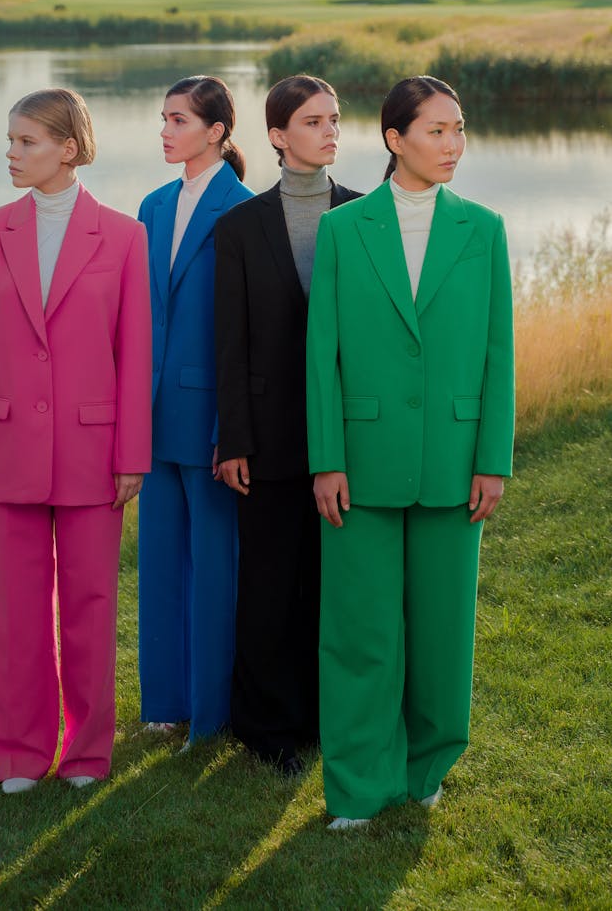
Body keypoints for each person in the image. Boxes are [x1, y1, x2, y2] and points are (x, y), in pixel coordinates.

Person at [306, 75, 514, 828]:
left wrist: (493, 458)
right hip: (358, 460)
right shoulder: (343, 229)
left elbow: (499, 354)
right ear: (395, 139)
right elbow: (321, 354)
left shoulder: (484, 229)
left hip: (457, 460)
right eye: (437, 130)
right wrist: (325, 458)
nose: (453, 143)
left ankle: (428, 765)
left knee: (441, 632)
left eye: (459, 129)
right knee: (360, 631)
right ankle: (358, 785)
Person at [0, 87, 152, 794]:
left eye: (26, 141)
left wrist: (132, 454)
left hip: (95, 452)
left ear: (68, 148)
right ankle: (16, 751)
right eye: (9, 140)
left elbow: (135, 355)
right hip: (6, 448)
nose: (12, 153)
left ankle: (88, 752)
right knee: (14, 611)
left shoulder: (125, 236)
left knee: (92, 605)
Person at [214, 75, 360, 775]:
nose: (330, 130)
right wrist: (233, 438)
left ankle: (324, 718)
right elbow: (230, 343)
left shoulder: (366, 215)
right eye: (312, 120)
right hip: (267, 437)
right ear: (277, 136)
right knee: (269, 585)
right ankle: (267, 728)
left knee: (330, 584)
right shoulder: (239, 227)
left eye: (334, 118)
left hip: (347, 436)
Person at [137, 75, 253, 747]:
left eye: (177, 119)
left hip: (211, 420)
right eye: (162, 118)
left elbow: (243, 332)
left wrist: (227, 430)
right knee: (158, 563)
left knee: (215, 569)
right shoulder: (153, 205)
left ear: (214, 131)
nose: (165, 130)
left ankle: (212, 711)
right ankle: (164, 701)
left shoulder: (242, 208)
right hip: (151, 416)